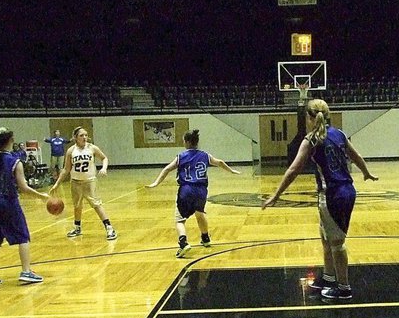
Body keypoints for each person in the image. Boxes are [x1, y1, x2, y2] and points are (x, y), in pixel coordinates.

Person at [262, 98, 378, 300]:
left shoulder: (311, 140)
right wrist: (366, 172)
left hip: (332, 195)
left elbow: (293, 170)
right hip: (346, 191)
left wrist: (276, 195)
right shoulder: (339, 134)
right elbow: (356, 155)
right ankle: (328, 277)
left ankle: (344, 288)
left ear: (308, 118)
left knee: (337, 243)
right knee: (325, 236)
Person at [146, 129, 241, 258]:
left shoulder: (181, 156)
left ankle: (183, 243)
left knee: (180, 220)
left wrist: (156, 183)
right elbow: (220, 162)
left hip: (186, 190)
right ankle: (205, 238)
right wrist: (231, 171)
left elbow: (167, 169)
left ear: (188, 142)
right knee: (200, 213)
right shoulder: (205, 155)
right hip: (201, 190)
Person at [0, 128, 48, 287]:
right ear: (11, 141)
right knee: (23, 236)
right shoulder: (15, 161)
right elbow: (24, 187)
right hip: (6, 202)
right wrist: (42, 196)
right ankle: (26, 272)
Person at [50, 126, 117, 240]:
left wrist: (104, 168)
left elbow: (104, 158)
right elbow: (66, 169)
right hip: (75, 182)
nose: (84, 137)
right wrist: (57, 184)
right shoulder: (71, 151)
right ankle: (77, 228)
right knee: (77, 206)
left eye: (86, 135)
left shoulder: (92, 148)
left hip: (90, 181)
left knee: (96, 205)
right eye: (81, 135)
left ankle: (109, 228)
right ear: (75, 138)